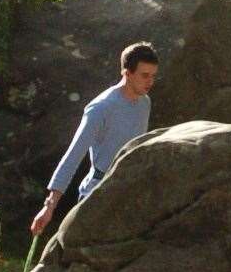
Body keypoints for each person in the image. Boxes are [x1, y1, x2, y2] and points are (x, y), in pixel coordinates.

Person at [29, 43, 158, 237]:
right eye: (144, 75)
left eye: (153, 76)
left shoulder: (144, 103)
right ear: (127, 73)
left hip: (129, 191)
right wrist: (49, 207)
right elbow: (74, 155)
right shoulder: (101, 108)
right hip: (97, 194)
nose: (150, 82)